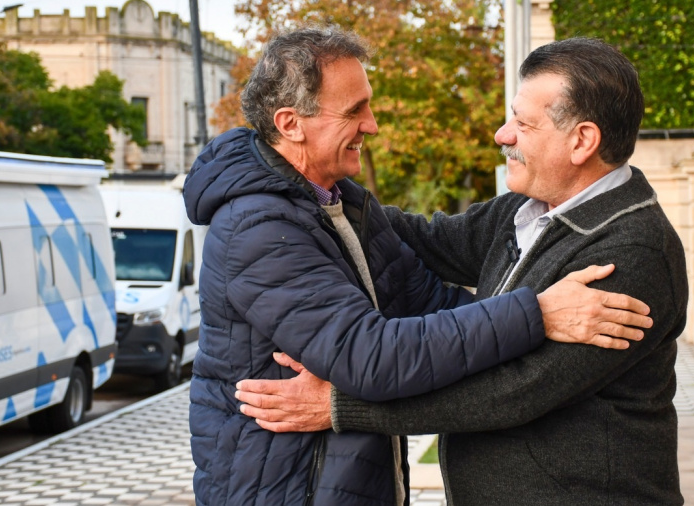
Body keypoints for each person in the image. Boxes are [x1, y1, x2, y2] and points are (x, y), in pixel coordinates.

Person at [183, 28, 652, 506]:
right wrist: (537, 313)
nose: (372, 125)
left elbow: (439, 313)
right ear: (290, 123)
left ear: (583, 141)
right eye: (354, 111)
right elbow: (369, 356)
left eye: (523, 123)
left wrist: (520, 316)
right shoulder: (258, 228)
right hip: (284, 488)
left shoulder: (338, 206)